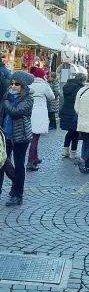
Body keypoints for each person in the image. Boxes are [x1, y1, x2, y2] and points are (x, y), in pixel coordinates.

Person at [0, 71, 34, 205]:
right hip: (6, 134)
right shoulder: (7, 95)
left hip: (21, 136)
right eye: (12, 83)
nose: (13, 86)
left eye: (17, 84)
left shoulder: (28, 97)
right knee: (1, 163)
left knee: (19, 165)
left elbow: (16, 112)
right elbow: (2, 112)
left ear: (23, 85)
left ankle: (18, 194)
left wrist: (6, 101)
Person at [27, 68, 55, 171]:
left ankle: (35, 157)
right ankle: (30, 161)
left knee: (35, 135)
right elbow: (51, 97)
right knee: (35, 137)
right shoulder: (44, 85)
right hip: (40, 113)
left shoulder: (29, 84)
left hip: (30, 112)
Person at [60, 73, 86, 158]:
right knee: (75, 133)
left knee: (70, 132)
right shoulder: (80, 88)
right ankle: (73, 152)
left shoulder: (67, 86)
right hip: (75, 112)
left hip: (66, 110)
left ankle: (65, 150)